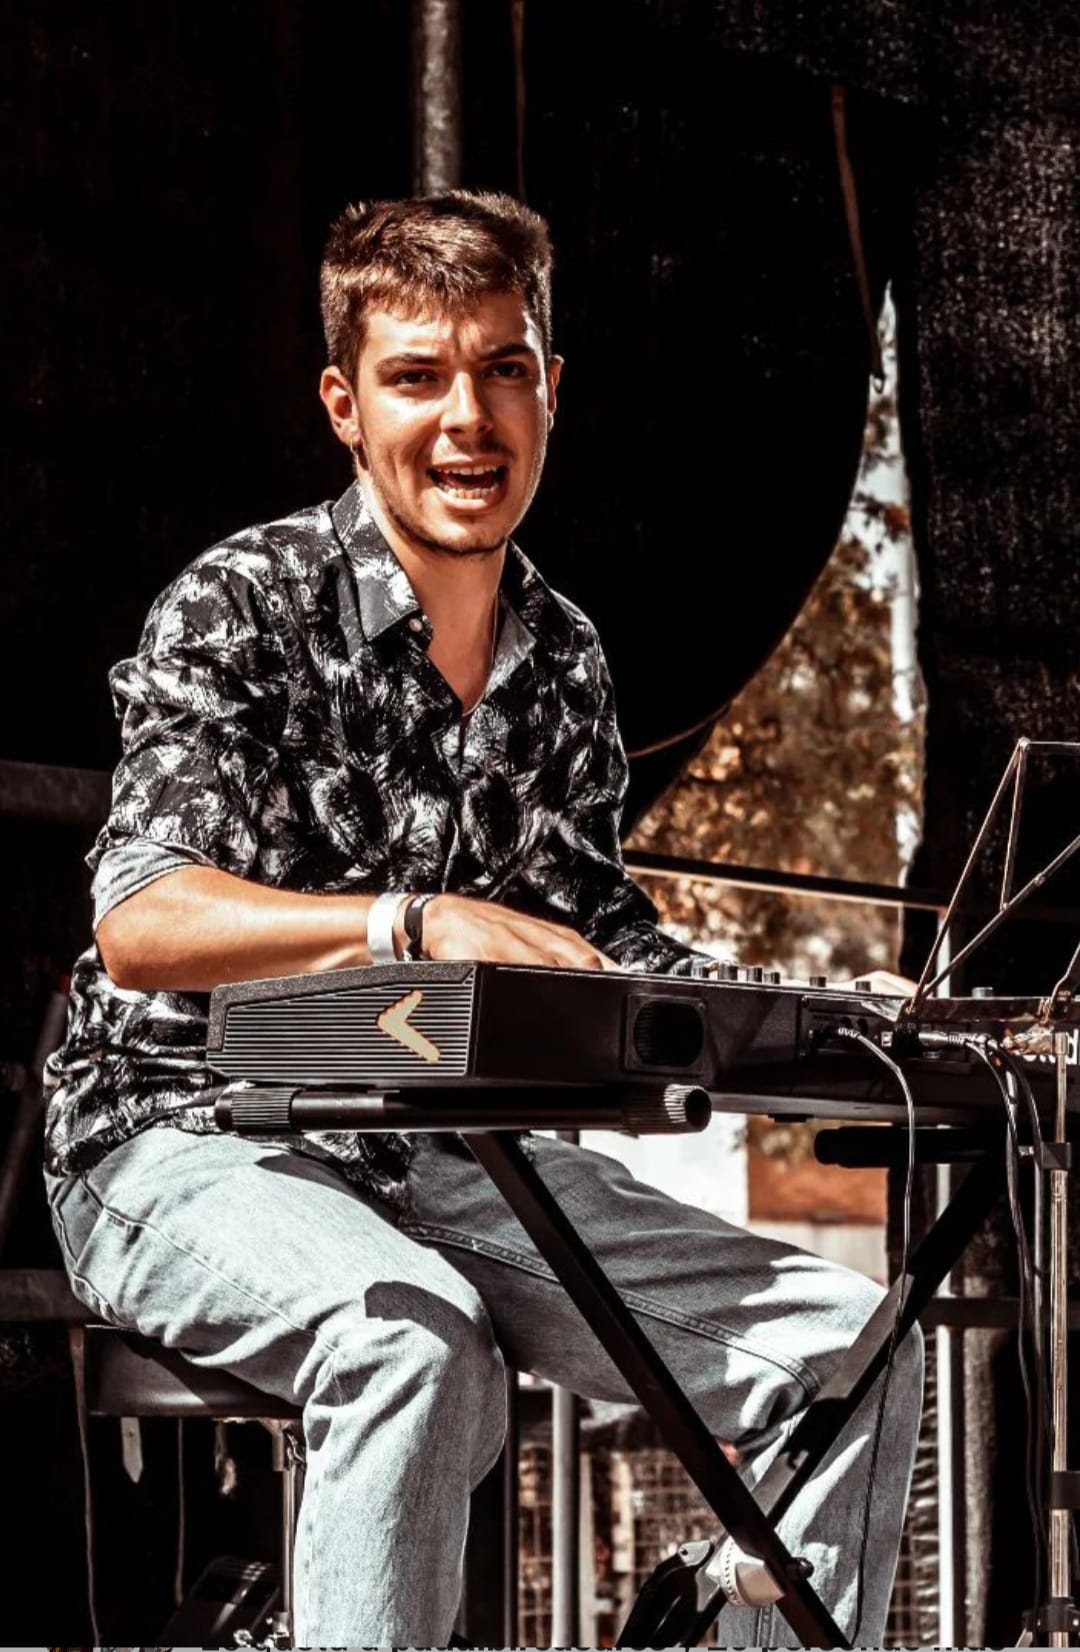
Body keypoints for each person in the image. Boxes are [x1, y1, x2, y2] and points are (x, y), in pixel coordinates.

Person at [44, 191, 922, 1648]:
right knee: (416, 1343)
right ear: (345, 405)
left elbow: (599, 933)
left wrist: (826, 1017)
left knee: (852, 1350)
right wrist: (411, 920)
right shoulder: (241, 604)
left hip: (450, 1154)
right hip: (183, 1140)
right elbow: (146, 917)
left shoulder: (563, 657)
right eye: (418, 376)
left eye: (504, 369)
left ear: (550, 389)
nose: (468, 419)